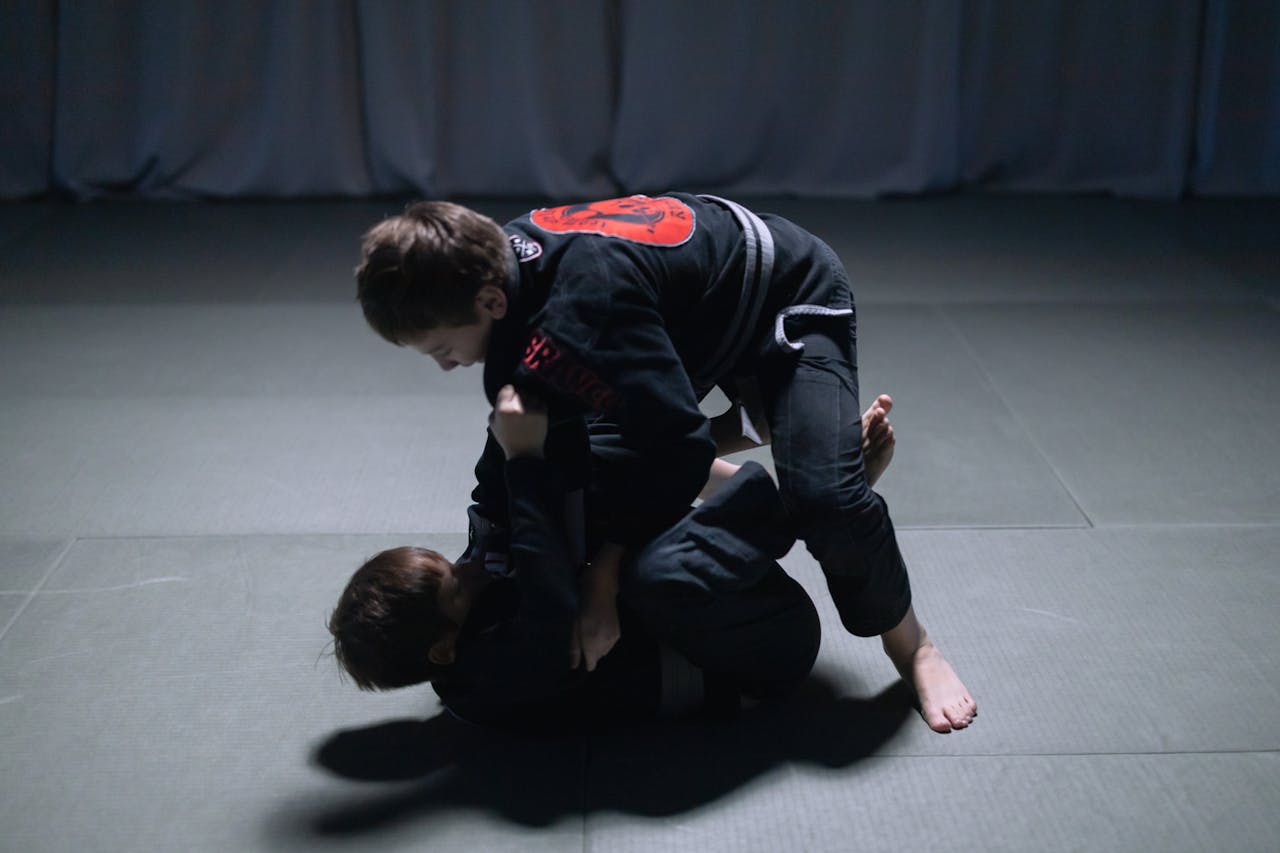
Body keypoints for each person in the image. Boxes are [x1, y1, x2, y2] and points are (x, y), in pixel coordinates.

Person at [355, 194, 976, 732]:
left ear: (491, 300)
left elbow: (677, 449)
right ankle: (771, 436)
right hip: (689, 326)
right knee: (581, 446)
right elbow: (577, 466)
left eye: (441, 347)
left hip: (785, 295)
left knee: (828, 503)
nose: (442, 366)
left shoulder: (582, 310)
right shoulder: (499, 292)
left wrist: (602, 578)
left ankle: (914, 644)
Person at [328, 385, 858, 732]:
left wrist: (508, 425)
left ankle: (721, 434)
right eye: (456, 587)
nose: (466, 569)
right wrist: (521, 459)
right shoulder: (494, 675)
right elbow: (546, 578)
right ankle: (812, 507)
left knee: (565, 455)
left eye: (451, 564)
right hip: (759, 656)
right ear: (444, 649)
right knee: (639, 568)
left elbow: (494, 514)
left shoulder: (464, 616)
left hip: (714, 609)